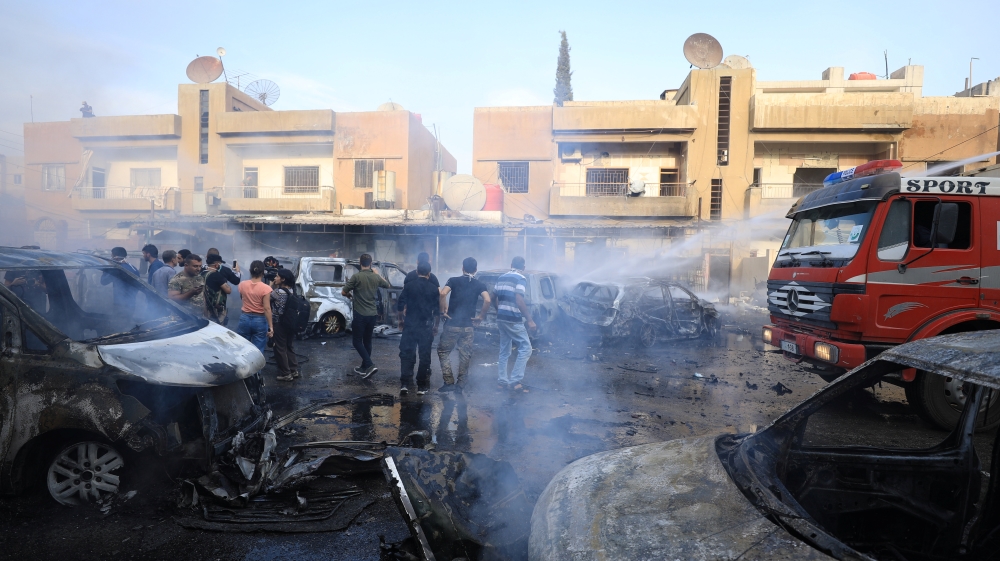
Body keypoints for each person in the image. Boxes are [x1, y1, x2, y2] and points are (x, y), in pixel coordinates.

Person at [437, 257, 490, 394]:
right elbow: (487, 300)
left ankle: (448, 382)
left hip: (452, 324)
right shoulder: (479, 284)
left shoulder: (453, 280)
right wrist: (480, 317)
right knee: (465, 354)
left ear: (462, 268)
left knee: (443, 351)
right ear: (476, 270)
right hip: (468, 326)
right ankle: (461, 384)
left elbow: (442, 293)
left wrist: (443, 311)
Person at [342, 253, 389, 379]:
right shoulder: (375, 277)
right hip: (372, 314)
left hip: (360, 314)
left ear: (360, 263)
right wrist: (377, 274)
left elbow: (343, 291)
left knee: (357, 341)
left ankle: (369, 364)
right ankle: (363, 367)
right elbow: (387, 285)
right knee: (367, 341)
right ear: (371, 263)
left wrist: (350, 296)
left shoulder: (356, 277)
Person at [493, 256, 536, 393]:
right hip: (513, 319)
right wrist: (529, 319)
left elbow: (492, 296)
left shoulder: (501, 277)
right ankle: (515, 381)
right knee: (526, 348)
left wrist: (499, 310)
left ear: (511, 264)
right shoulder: (521, 279)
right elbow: (519, 299)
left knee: (504, 350)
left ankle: (502, 382)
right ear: (523, 267)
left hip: (501, 318)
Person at [396, 261, 440, 395]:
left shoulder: (409, 286)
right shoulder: (433, 288)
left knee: (406, 354)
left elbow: (400, 306)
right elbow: (437, 311)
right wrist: (436, 326)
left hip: (410, 325)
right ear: (429, 273)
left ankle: (404, 384)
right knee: (424, 356)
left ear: (416, 272)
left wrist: (400, 321)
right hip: (425, 327)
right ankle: (421, 386)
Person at [236, 260, 273, 354]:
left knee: (242, 348)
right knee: (258, 350)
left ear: (250, 270)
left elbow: (242, 298)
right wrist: (271, 327)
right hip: (259, 320)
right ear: (263, 272)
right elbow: (267, 308)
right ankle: (256, 368)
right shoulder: (266, 288)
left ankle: (243, 368)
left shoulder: (242, 284)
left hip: (245, 318)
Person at [270, 269, 300, 381]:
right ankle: (293, 370)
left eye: (277, 276)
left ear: (283, 279)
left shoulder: (277, 292)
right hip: (291, 323)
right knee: (289, 346)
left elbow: (266, 299)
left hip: (279, 323)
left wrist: (270, 285)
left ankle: (286, 373)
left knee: (280, 348)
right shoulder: (292, 291)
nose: (275, 278)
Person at [102, 247, 139, 315]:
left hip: (120, 304)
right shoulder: (134, 269)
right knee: (128, 323)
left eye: (112, 256)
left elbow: (103, 282)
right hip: (132, 304)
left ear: (116, 257)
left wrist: (106, 268)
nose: (111, 258)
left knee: (119, 323)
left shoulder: (117, 269)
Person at [203, 254, 232, 325]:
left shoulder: (202, 273)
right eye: (220, 264)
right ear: (216, 265)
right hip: (216, 310)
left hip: (204, 308)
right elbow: (228, 290)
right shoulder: (216, 275)